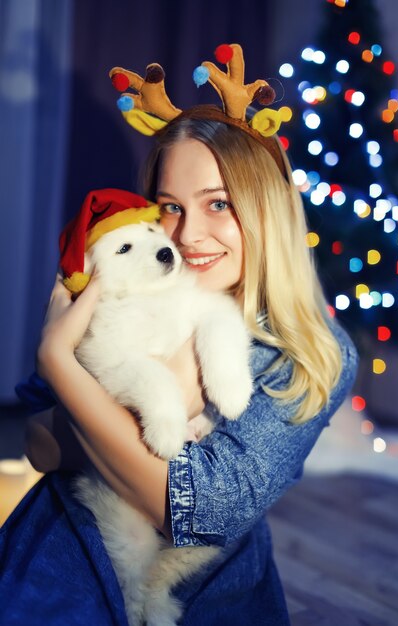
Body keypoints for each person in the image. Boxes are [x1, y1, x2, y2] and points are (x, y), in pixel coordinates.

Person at [0, 44, 358, 625]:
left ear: (266, 210)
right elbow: (36, 445)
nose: (188, 234)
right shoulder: (119, 289)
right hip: (61, 565)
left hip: (209, 595)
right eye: (170, 205)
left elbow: (201, 510)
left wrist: (62, 363)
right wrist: (132, 406)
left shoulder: (308, 353)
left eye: (218, 203)